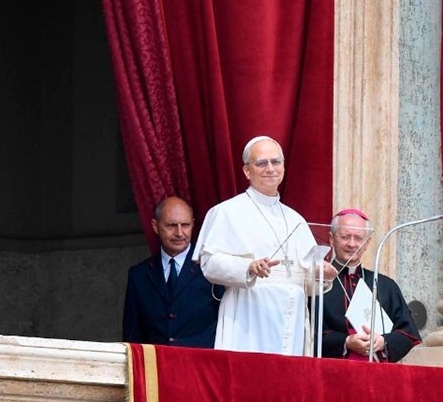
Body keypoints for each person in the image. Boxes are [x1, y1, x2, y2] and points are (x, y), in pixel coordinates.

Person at [193, 136, 336, 355]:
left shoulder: (296, 219)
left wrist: (320, 275)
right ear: (246, 171)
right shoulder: (227, 212)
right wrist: (248, 267)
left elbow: (307, 279)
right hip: (249, 316)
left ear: (283, 167)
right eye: (261, 163)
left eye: (276, 162)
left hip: (292, 319)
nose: (270, 168)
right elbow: (209, 264)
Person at [320, 209, 421, 362]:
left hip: (376, 370)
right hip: (331, 369)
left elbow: (408, 333)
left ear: (367, 243)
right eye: (345, 237)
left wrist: (382, 342)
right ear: (332, 239)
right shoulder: (316, 282)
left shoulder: (385, 285)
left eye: (358, 238)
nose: (352, 244)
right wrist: (346, 342)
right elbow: (307, 333)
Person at [123, 196, 222, 347]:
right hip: (156, 360)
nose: (179, 233)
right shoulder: (138, 275)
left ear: (193, 224)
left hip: (201, 360)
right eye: (171, 226)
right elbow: (132, 337)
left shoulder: (210, 266)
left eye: (185, 225)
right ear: (155, 226)